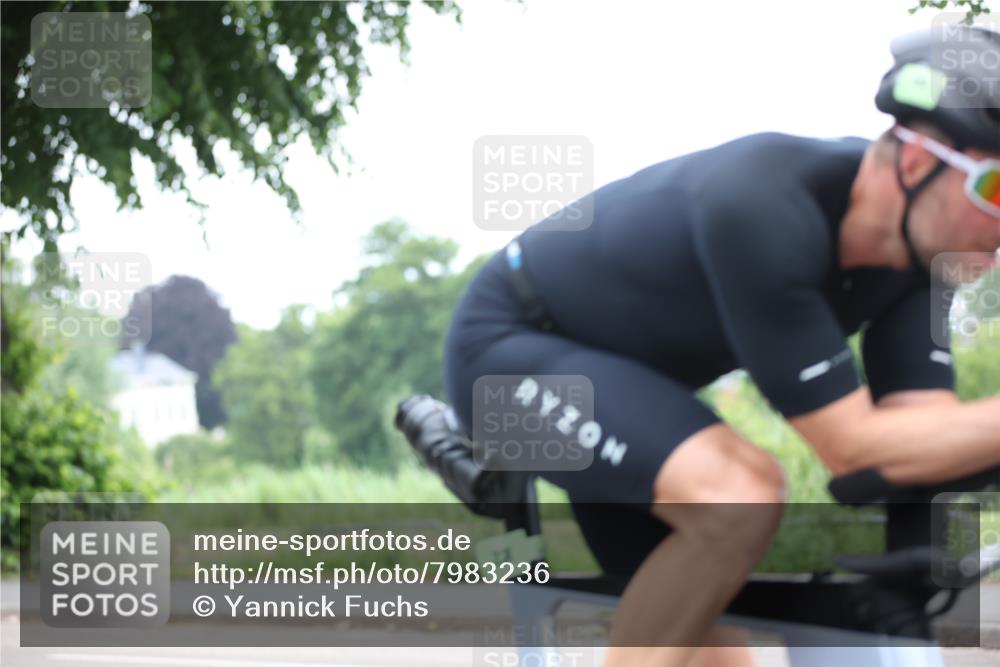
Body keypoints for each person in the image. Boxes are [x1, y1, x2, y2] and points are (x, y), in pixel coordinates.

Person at [443, 25, 1000, 667]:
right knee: (740, 495)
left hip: (634, 396)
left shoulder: (928, 259)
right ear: (915, 160)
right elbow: (852, 448)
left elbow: (920, 435)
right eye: (993, 190)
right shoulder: (765, 205)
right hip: (506, 353)